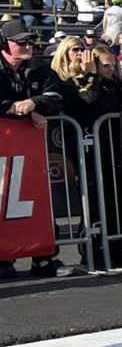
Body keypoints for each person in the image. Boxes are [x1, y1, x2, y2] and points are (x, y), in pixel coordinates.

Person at [0, 19, 65, 278]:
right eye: (21, 42)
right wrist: (17, 110)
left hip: (30, 153)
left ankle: (43, 256)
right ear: (4, 44)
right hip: (4, 150)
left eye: (30, 41)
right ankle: (4, 259)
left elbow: (56, 99)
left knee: (36, 201)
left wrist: (33, 104)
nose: (28, 46)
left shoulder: (39, 68)